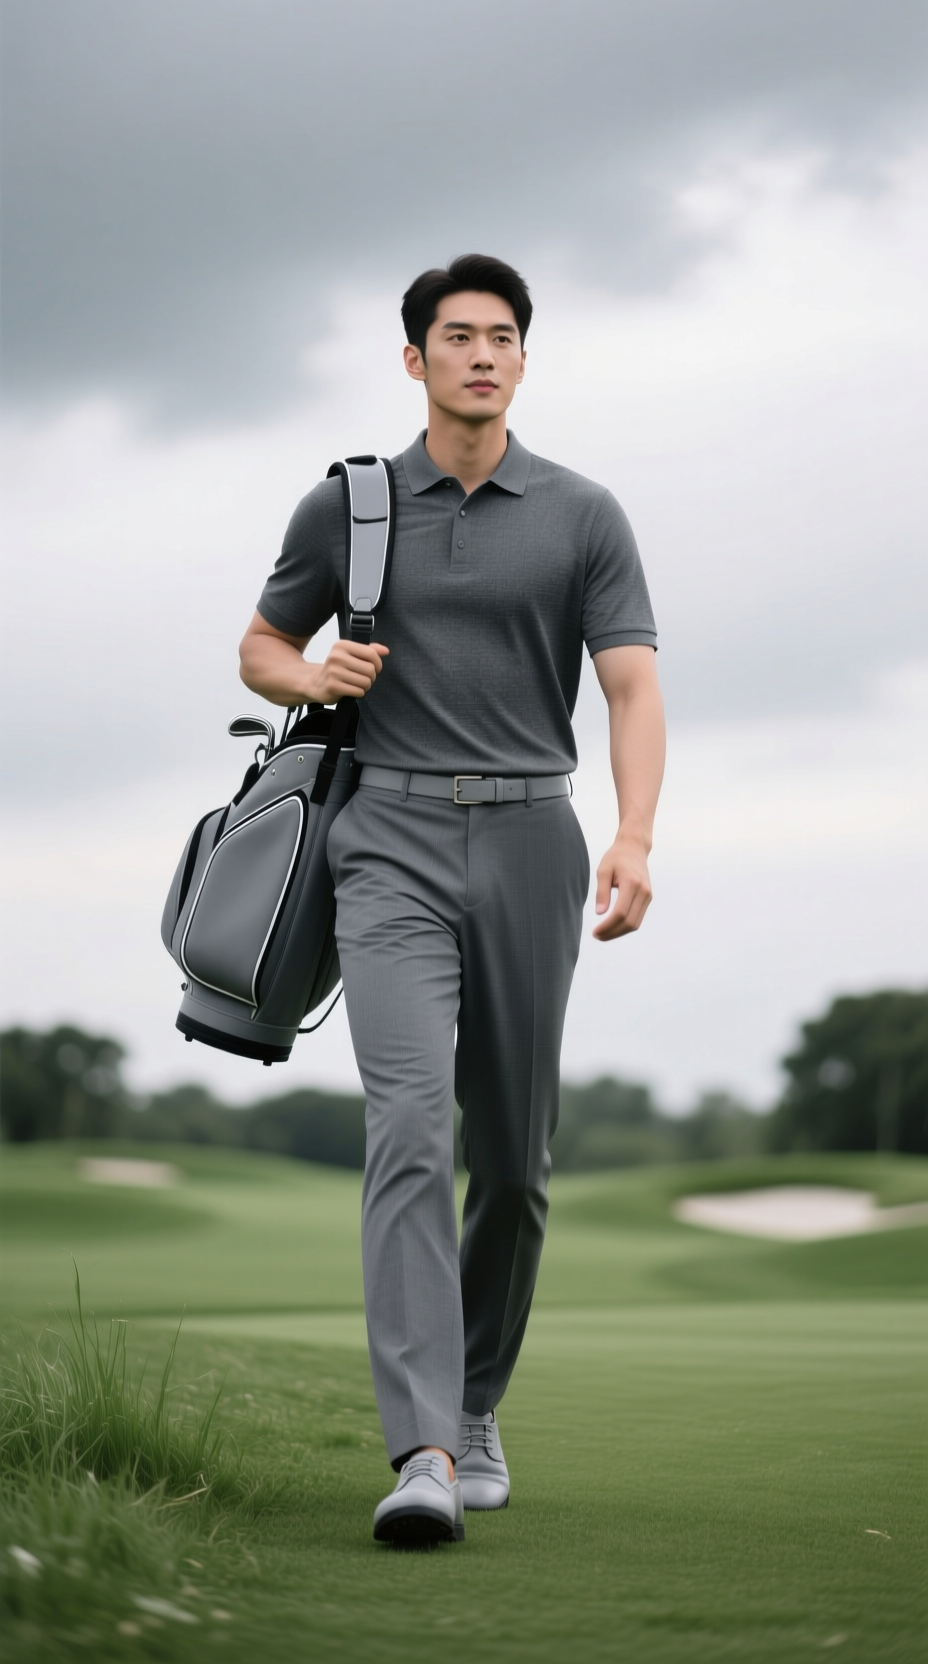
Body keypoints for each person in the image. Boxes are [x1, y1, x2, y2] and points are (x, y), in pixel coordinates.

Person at [239, 254, 665, 1545]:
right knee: (410, 1130)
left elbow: (632, 689)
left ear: (523, 361)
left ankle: (477, 1404)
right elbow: (259, 645)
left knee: (518, 1168)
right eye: (456, 336)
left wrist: (635, 834)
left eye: (503, 337)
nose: (481, 354)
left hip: (537, 834)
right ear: (413, 359)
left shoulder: (584, 512)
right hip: (391, 843)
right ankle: (423, 1450)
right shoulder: (350, 508)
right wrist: (315, 678)